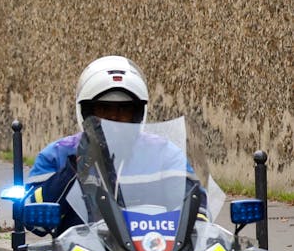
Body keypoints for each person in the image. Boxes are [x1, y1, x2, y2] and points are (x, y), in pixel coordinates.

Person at [24, 55, 203, 236]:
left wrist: (197, 227)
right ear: (87, 112)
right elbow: (34, 224)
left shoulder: (164, 154)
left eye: (123, 109)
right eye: (104, 109)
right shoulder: (58, 154)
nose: (114, 117)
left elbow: (197, 210)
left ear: (137, 113)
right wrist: (73, 169)